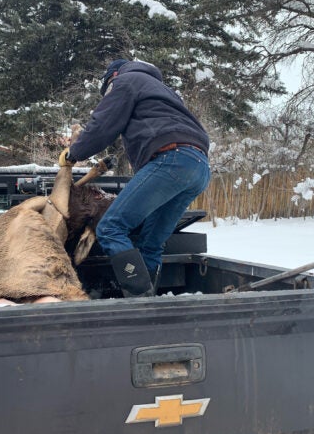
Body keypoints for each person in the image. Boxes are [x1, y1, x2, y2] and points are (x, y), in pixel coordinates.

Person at [61, 59, 211, 298]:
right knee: (151, 243)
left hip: (170, 159)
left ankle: (138, 299)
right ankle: (149, 300)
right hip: (199, 166)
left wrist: (73, 153)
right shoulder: (163, 91)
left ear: (113, 76)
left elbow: (102, 125)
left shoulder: (126, 81)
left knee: (110, 228)